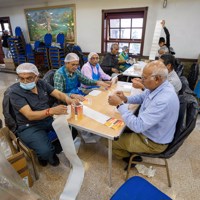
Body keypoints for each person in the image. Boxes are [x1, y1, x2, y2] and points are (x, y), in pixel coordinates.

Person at [108, 61, 179, 163]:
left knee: (109, 141)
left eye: (144, 78)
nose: (142, 80)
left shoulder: (163, 99)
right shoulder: (161, 86)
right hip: (149, 130)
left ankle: (129, 158)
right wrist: (125, 99)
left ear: (157, 79)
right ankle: (129, 147)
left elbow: (138, 126)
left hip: (153, 142)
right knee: (116, 126)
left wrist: (119, 104)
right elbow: (142, 97)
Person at [9, 63, 78, 167]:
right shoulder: (15, 92)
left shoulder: (41, 84)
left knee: (72, 131)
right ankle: (45, 154)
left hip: (45, 119)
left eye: (29, 78)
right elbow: (30, 115)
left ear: (37, 76)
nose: (25, 81)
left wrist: (68, 99)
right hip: (29, 125)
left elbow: (58, 93)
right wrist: (51, 111)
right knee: (45, 152)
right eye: (21, 78)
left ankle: (52, 150)